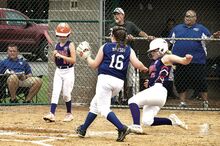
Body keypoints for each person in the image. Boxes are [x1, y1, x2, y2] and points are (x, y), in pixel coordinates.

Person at [76, 26, 148, 142]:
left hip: (105, 80)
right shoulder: (128, 49)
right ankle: (83, 129)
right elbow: (137, 65)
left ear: (113, 36)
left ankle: (121, 128)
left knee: (103, 109)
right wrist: (146, 68)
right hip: (118, 83)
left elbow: (94, 65)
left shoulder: (105, 47)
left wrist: (87, 57)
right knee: (95, 104)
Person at [128, 38, 192, 134]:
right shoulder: (155, 62)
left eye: (154, 51)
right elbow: (157, 76)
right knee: (147, 121)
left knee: (132, 101)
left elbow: (183, 61)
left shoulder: (166, 58)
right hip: (156, 92)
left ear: (161, 49)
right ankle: (172, 121)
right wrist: (149, 82)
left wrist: (187, 59)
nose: (152, 53)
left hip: (158, 90)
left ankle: (136, 126)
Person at [169, 10, 220, 108]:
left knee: (200, 82)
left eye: (190, 16)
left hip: (197, 61)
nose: (187, 18)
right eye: (186, 16)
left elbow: (209, 40)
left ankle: (205, 102)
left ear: (195, 18)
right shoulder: (177, 28)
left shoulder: (201, 29)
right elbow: (170, 42)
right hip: (180, 61)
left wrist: (214, 36)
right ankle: (182, 103)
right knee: (180, 81)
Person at [110, 7, 154, 104]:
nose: (116, 16)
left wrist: (147, 37)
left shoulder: (129, 24)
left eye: (118, 14)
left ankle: (131, 98)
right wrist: (126, 38)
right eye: (115, 14)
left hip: (129, 54)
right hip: (117, 54)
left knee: (131, 78)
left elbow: (140, 32)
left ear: (123, 15)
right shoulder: (112, 26)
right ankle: (117, 98)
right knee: (118, 76)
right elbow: (111, 40)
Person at [43, 23, 76, 122]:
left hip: (69, 71)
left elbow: (73, 60)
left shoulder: (70, 44)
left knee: (66, 94)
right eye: (60, 35)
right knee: (55, 91)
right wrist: (54, 56)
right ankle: (52, 114)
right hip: (59, 71)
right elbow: (55, 62)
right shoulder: (57, 45)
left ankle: (69, 113)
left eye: (64, 35)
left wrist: (61, 56)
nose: (62, 37)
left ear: (68, 35)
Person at [160, 18, 177, 99]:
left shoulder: (175, 32)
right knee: (165, 72)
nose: (170, 26)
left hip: (173, 54)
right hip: (165, 54)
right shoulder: (164, 32)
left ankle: (172, 92)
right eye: (169, 24)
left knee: (172, 73)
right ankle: (165, 92)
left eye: (172, 25)